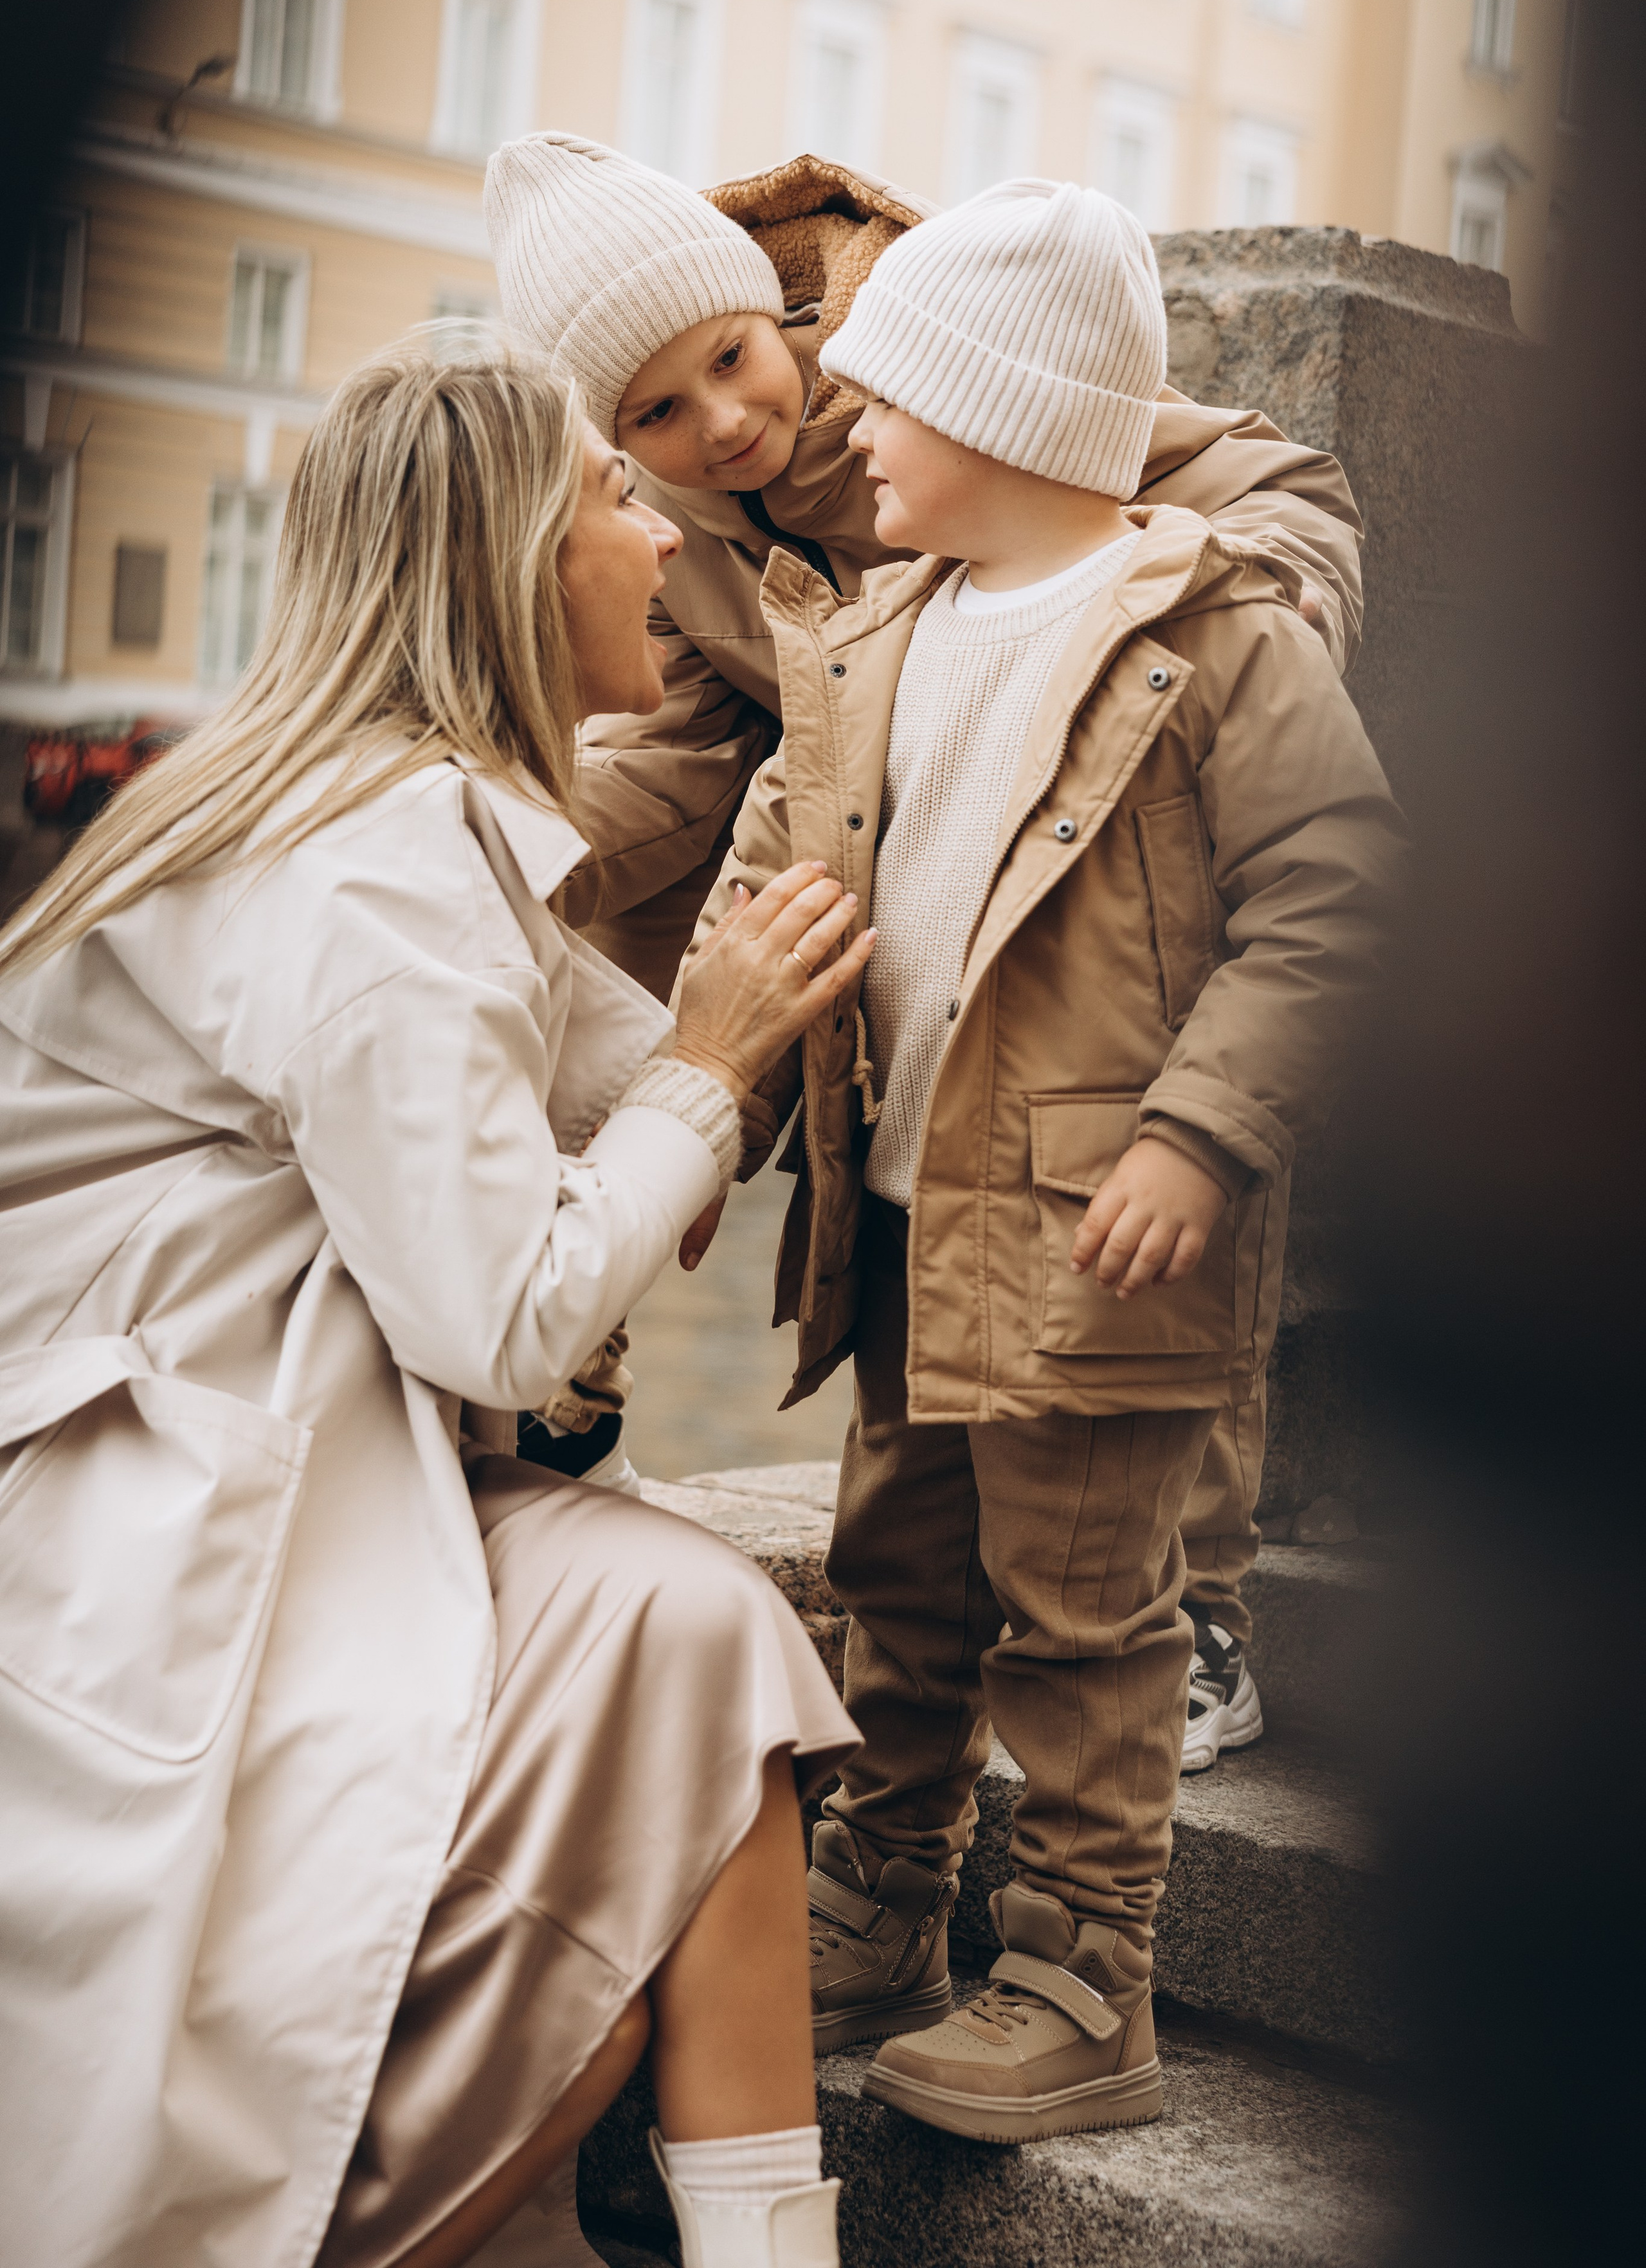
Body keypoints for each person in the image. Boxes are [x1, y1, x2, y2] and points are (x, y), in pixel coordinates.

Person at [0, 340, 876, 2268]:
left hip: (192, 1508)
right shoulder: (377, 868)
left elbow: (616, 1107)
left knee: (694, 1643)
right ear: (507, 555)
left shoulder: (386, 812)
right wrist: (710, 1074)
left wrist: (705, 1075)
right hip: (162, 1573)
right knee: (696, 1654)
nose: (658, 537)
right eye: (611, 499)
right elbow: (512, 1317)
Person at [676, 181, 1406, 2142]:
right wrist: (699, 1111)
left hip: (1106, 1230)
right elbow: (771, 886)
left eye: (885, 398)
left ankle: (1085, 1980)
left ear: (995, 415)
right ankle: (884, 1899)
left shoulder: (1210, 633)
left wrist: (1204, 1131)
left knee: (1087, 1619)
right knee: (897, 1582)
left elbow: (1331, 900)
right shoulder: (881, 629)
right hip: (908, 1222)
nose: (852, 436)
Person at [484, 133, 1370, 1744]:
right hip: (899, 866)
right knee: (907, 1264)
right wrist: (498, 838)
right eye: (655, 419)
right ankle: (581, 1385)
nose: (724, 426)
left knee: (1146, 1239)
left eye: (734, 365)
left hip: (1089, 840)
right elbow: (687, 760)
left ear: (779, 313)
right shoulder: (687, 537)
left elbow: (1252, 484)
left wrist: (1260, 626)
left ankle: (1201, 1614)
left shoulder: (956, 368)